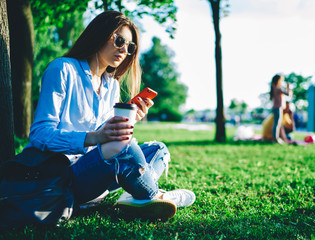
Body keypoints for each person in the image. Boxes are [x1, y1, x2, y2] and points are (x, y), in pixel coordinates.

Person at [24, 11, 195, 221]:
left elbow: (106, 140)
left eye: (130, 47)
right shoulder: (62, 69)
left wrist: (130, 120)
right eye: (120, 40)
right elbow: (40, 135)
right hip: (63, 175)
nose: (124, 49)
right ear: (99, 34)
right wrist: (94, 137)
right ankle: (154, 196)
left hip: (96, 167)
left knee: (158, 149)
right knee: (126, 147)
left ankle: (135, 194)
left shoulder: (111, 84)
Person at [269, 74, 292, 144]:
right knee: (277, 124)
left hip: (277, 108)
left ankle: (277, 138)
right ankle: (275, 138)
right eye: (281, 80)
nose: (282, 82)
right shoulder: (277, 89)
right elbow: (288, 94)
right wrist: (288, 87)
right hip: (277, 108)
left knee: (277, 124)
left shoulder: (275, 89)